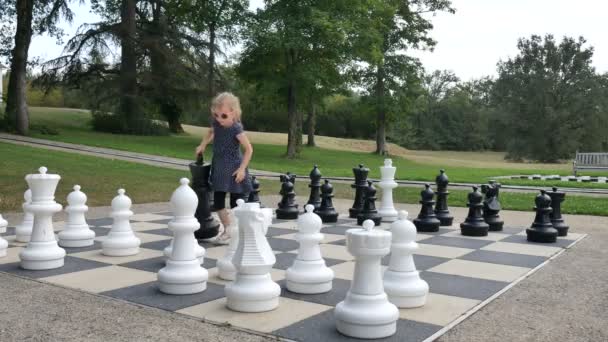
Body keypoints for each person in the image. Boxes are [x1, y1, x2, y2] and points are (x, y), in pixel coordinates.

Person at [196, 92, 253, 244]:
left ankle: (238, 231)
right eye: (216, 115)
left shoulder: (236, 128)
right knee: (218, 201)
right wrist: (203, 144)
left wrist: (242, 169)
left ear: (233, 112)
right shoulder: (216, 124)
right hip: (219, 167)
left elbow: (248, 149)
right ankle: (228, 229)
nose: (219, 119)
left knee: (236, 203)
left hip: (234, 168)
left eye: (223, 116)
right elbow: (210, 132)